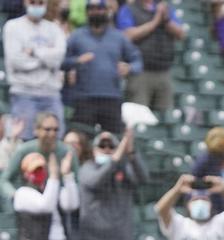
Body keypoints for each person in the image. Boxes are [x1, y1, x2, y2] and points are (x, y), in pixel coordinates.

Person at [78, 128, 145, 240]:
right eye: (102, 146)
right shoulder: (87, 169)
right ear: (94, 150)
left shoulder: (124, 169)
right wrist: (116, 158)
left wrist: (131, 154)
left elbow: (142, 178)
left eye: (111, 146)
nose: (107, 149)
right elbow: (97, 181)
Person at [62, 0, 142, 135]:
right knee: (82, 139)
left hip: (111, 98)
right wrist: (76, 61)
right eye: (92, 9)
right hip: (84, 98)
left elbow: (137, 61)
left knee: (112, 140)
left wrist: (129, 68)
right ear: (87, 12)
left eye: (100, 8)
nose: (96, 12)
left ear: (107, 11)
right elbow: (61, 62)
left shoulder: (118, 37)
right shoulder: (76, 36)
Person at [13, 150, 77, 240]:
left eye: (42, 169)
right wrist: (54, 177)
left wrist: (67, 176)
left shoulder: (53, 189)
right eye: (35, 170)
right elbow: (45, 205)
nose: (39, 173)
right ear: (25, 173)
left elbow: (72, 204)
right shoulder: (22, 193)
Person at [3, 0, 67, 138]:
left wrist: (33, 52)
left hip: (51, 93)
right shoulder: (13, 26)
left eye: (40, 2)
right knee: (22, 139)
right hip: (24, 93)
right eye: (33, 2)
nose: (36, 5)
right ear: (25, 2)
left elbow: (58, 58)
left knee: (56, 139)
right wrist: (46, 57)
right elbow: (17, 61)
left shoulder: (54, 29)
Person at [117, 0, 185, 112]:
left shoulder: (165, 9)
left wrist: (166, 19)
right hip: (140, 73)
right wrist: (155, 21)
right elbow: (127, 35)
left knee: (165, 117)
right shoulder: (129, 9)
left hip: (164, 71)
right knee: (139, 115)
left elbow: (181, 34)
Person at [0, 112, 79, 200]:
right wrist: (16, 196)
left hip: (59, 204)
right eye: (47, 129)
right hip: (29, 203)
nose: (52, 134)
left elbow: (78, 183)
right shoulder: (24, 150)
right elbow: (4, 180)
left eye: (56, 129)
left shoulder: (67, 152)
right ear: (36, 130)